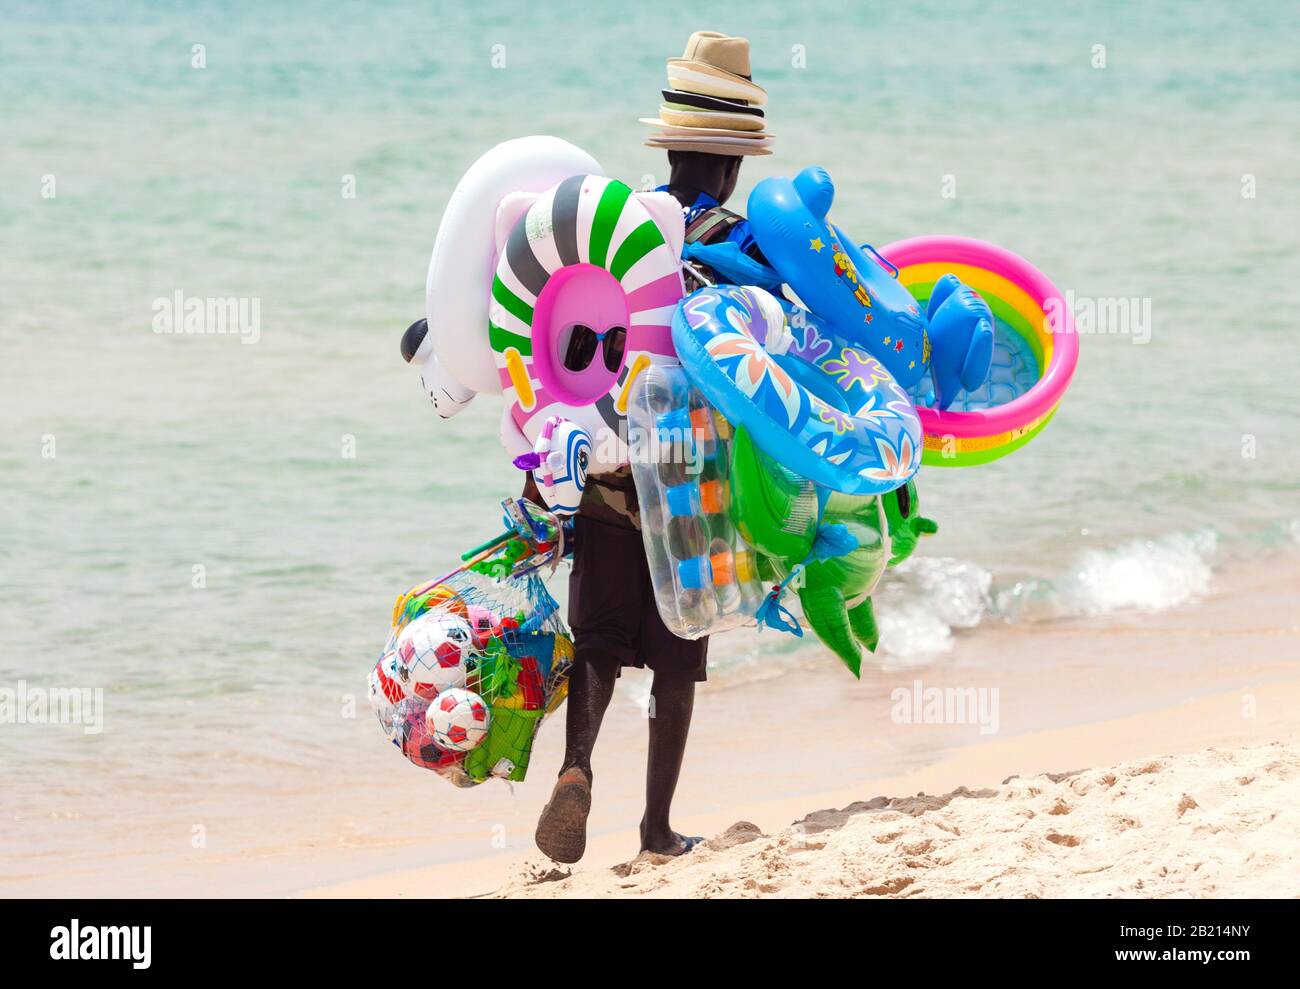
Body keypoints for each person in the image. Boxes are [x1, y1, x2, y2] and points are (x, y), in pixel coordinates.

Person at [532, 31, 772, 865]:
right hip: (691, 480)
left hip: (604, 461)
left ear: (668, 145)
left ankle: (575, 769)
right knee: (678, 651)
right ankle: (657, 826)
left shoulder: (621, 224)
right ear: (735, 166)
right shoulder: (742, 245)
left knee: (597, 635)